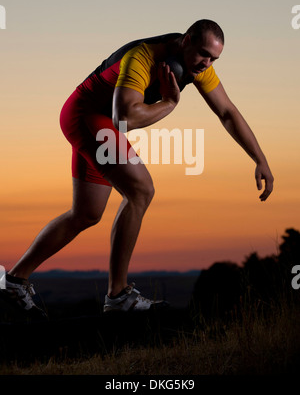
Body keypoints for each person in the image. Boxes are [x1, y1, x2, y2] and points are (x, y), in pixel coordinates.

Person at [0, 20, 274, 317]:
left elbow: (228, 112)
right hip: (88, 116)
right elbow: (124, 117)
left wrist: (260, 159)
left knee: (86, 214)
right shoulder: (143, 56)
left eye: (213, 59)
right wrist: (169, 103)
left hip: (95, 120)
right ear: (186, 41)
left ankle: (13, 281)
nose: (206, 64)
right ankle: (118, 296)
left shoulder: (199, 67)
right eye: (203, 54)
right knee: (141, 190)